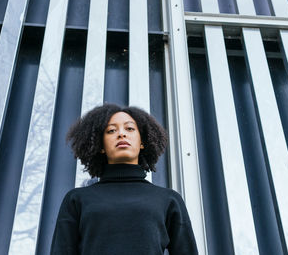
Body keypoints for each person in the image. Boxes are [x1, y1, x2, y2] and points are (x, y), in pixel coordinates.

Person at [50, 103, 198, 255]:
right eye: (111, 130)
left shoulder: (169, 199)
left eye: (129, 128)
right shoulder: (76, 199)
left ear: (142, 142)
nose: (121, 134)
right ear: (101, 146)